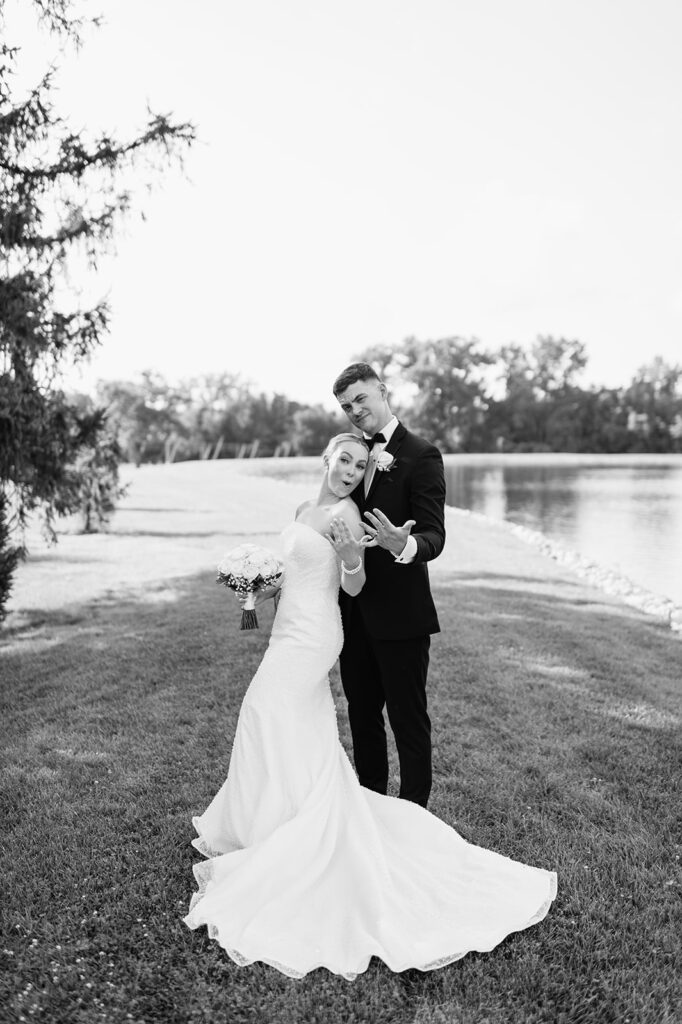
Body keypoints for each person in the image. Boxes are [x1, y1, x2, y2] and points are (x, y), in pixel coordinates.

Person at [183, 432, 556, 980]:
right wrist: (257, 589)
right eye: (345, 461)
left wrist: (355, 558)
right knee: (284, 722)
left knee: (264, 711)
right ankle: (273, 818)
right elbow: (295, 574)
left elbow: (351, 587)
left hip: (315, 636)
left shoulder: (347, 515)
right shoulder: (303, 508)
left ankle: (284, 826)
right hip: (286, 630)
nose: (352, 471)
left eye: (360, 465)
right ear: (326, 459)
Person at [332, 362, 445, 808]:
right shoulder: (348, 456)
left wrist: (406, 544)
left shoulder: (422, 454)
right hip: (353, 614)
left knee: (408, 721)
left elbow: (435, 535)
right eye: (346, 406)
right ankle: (372, 806)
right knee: (362, 717)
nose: (355, 410)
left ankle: (414, 816)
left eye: (361, 399)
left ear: (382, 391)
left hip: (402, 615)